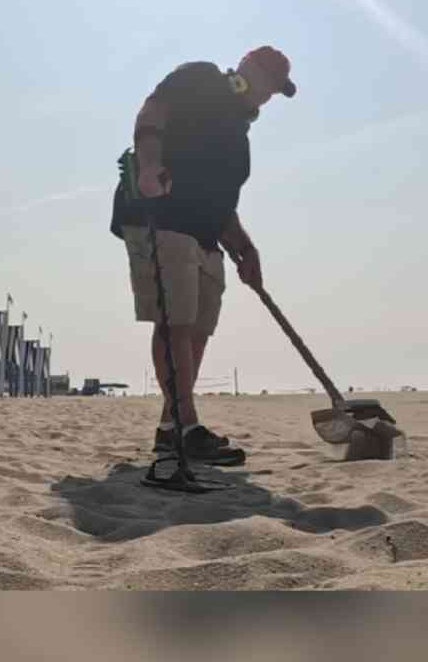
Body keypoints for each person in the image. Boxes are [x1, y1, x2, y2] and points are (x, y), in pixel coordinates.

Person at [110, 45, 296, 472]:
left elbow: (222, 204)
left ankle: (170, 425)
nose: (268, 93)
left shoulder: (239, 141)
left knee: (197, 329)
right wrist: (150, 165)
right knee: (175, 322)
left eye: (276, 89)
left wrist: (246, 249)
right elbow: (151, 114)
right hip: (159, 214)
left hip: (206, 232)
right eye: (267, 80)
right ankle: (186, 427)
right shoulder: (200, 77)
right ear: (247, 68)